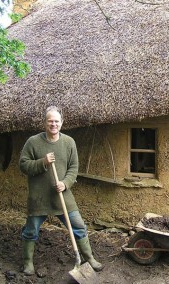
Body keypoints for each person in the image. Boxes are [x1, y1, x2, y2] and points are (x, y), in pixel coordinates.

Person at [19, 106, 103, 275]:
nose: (53, 124)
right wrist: (43, 161)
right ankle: (28, 263)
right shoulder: (33, 142)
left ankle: (89, 258)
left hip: (62, 196)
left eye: (56, 121)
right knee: (31, 231)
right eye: (50, 121)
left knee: (79, 226)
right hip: (39, 198)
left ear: (62, 123)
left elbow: (74, 168)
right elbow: (23, 165)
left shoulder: (68, 142)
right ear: (45, 123)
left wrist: (65, 183)